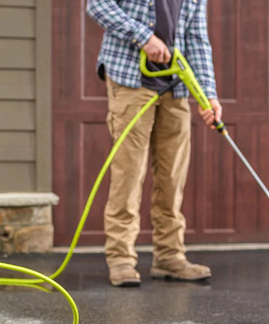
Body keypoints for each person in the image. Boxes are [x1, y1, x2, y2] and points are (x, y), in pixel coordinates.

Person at [86, 0, 222, 287]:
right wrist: (143, 37)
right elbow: (97, 5)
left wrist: (208, 94)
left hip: (176, 83)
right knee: (129, 173)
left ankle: (170, 256)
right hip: (130, 79)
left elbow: (197, 38)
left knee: (173, 175)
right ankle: (121, 258)